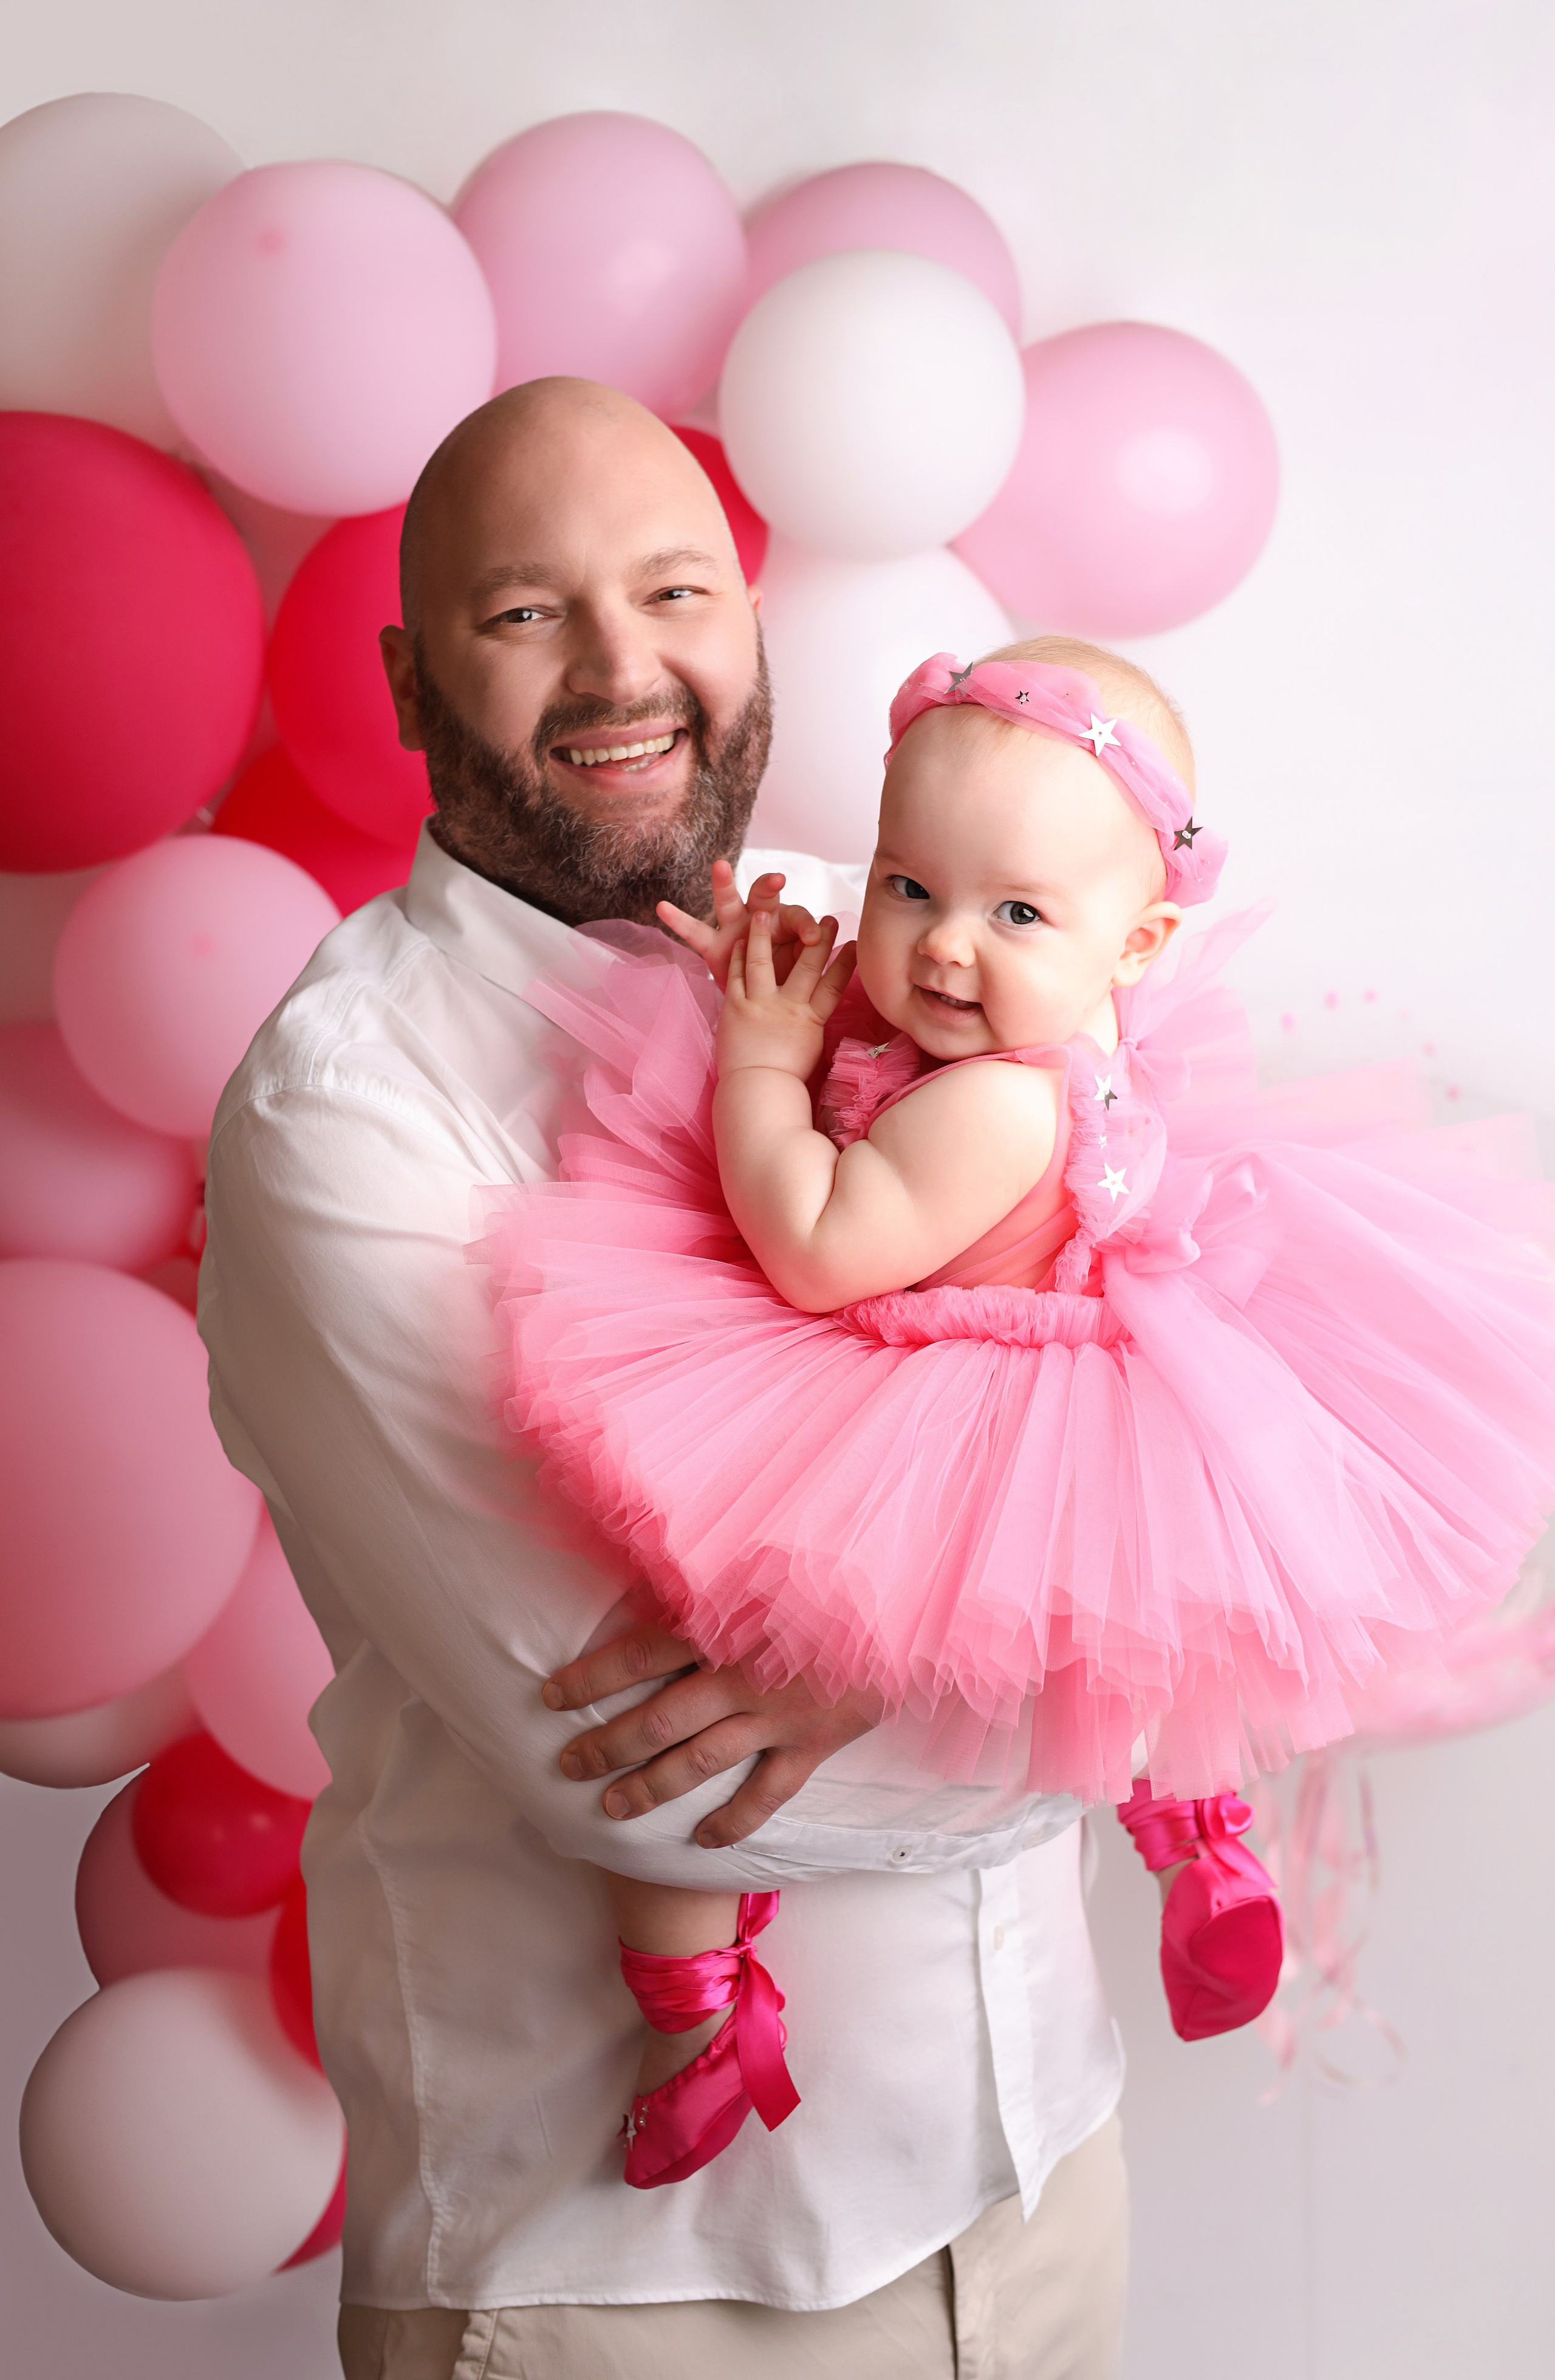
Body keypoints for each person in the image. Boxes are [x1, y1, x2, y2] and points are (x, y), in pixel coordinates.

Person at [199, 379, 1130, 2380]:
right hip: (625, 2285)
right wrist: (1133, 1626)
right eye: (528, 611)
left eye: (676, 588)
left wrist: (909, 1633)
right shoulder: (344, 1107)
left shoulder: (892, 927)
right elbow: (658, 1760)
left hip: (1041, 2165)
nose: (627, 667)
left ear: (752, 618)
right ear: (408, 673)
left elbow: (1180, 1313)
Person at [480, 633, 1555, 2183]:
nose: (938, 951)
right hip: (1043, 1355)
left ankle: (698, 2018)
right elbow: (890, 1008)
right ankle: (1196, 1838)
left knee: (711, 1641)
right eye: (907, 885)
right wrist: (775, 973)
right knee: (1126, 1651)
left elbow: (812, 1251)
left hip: (927, 1375)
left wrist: (760, 1069)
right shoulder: (1017, 1028)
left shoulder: (997, 1099)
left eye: (1015, 914)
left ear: (1132, 948)